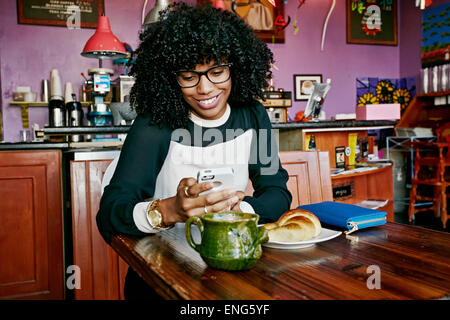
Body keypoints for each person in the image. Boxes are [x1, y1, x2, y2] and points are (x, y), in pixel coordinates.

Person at [96, 2, 292, 299]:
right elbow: (110, 213)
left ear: (235, 66)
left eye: (217, 71)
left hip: (228, 273)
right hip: (158, 279)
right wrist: (169, 210)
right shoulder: (155, 124)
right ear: (170, 77)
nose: (205, 89)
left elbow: (277, 193)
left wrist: (241, 210)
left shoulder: (253, 115)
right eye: (189, 76)